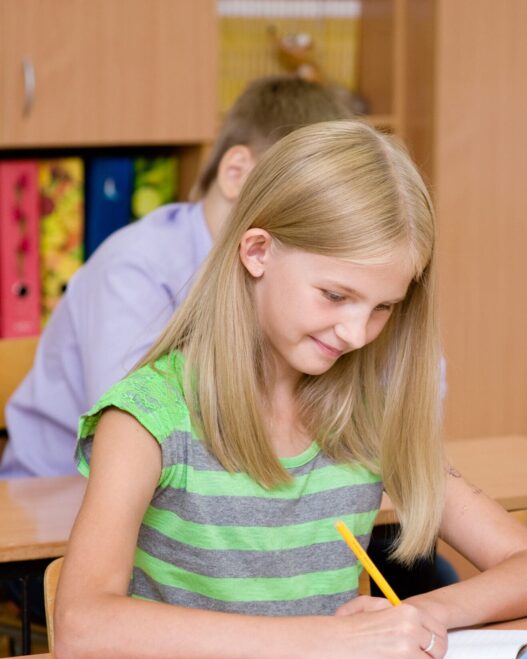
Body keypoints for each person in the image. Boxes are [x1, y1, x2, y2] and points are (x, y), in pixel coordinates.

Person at [53, 120, 527, 659]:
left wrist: (423, 615)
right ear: (257, 252)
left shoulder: (364, 416)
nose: (356, 333)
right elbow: (82, 626)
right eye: (335, 295)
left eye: (381, 308)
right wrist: (319, 642)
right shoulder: (148, 417)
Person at [1, 75, 353, 480]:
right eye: (301, 197)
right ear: (237, 173)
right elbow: (139, 432)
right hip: (55, 500)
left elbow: (411, 391)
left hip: (213, 498)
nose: (317, 225)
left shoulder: (294, 280)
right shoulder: (135, 268)